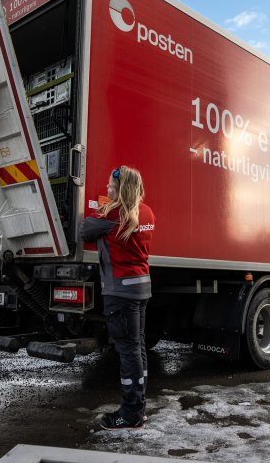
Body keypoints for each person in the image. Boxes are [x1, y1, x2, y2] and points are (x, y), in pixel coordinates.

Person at [81, 165, 156, 430]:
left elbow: (84, 229)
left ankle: (131, 413)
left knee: (128, 351)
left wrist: (102, 207)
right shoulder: (146, 212)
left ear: (122, 188)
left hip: (120, 292)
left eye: (111, 186)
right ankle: (139, 407)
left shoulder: (114, 214)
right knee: (138, 348)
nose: (106, 189)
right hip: (141, 289)